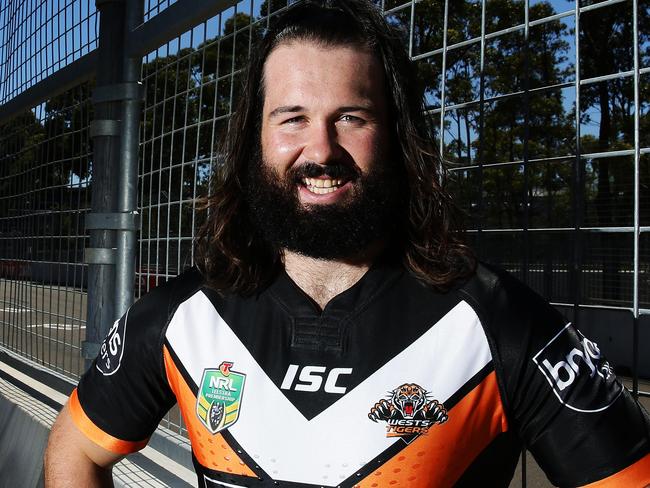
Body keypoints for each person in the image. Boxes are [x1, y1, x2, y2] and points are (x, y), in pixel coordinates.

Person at [45, 0, 650, 486]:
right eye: (292, 118)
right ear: (253, 138)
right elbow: (76, 450)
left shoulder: (502, 324)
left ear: (396, 134)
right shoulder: (183, 317)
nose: (322, 150)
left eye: (351, 118)